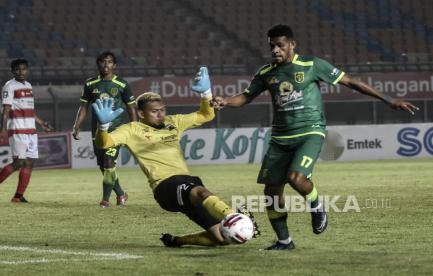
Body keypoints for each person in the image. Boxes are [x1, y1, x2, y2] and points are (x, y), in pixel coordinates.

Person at [212, 24, 419, 250]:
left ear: (292, 44)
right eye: (272, 46)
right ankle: (284, 241)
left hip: (310, 131)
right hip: (280, 138)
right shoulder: (266, 73)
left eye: (280, 45)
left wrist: (390, 100)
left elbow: (351, 82)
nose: (275, 50)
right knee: (271, 192)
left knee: (296, 177)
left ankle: (317, 204)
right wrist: (225, 102)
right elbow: (245, 97)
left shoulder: (312, 65)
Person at [93, 67, 248, 247]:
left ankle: (176, 241)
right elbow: (104, 143)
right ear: (142, 114)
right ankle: (233, 216)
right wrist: (103, 127)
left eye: (162, 110)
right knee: (200, 192)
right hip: (165, 186)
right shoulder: (132, 129)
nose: (161, 114)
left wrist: (206, 94)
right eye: (154, 111)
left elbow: (206, 115)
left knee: (221, 238)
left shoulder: (173, 122)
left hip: (187, 179)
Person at [72, 51, 138, 208]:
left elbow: (131, 109)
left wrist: (135, 129)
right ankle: (121, 194)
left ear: (114, 65)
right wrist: (77, 125)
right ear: (98, 64)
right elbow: (83, 107)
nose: (105, 65)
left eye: (109, 62)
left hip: (116, 132)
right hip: (97, 132)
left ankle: (105, 200)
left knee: (108, 162)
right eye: (102, 62)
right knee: (104, 166)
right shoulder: (90, 84)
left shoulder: (122, 84)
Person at [0, 58, 53, 204]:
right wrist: (1, 128)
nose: (21, 72)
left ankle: (18, 196)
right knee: (19, 162)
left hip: (31, 131)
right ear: (12, 71)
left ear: (28, 70)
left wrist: (41, 123)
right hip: (18, 129)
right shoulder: (9, 86)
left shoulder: (28, 85)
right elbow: (6, 109)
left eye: (23, 69)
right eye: (17, 69)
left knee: (29, 163)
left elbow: (29, 110)